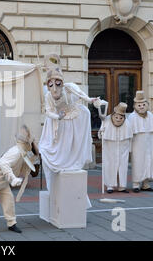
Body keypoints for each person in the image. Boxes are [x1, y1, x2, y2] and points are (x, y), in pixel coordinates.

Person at [38, 54, 98, 208]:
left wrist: (91, 100)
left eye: (57, 83)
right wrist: (57, 116)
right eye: (51, 84)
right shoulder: (48, 95)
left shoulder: (69, 87)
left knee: (70, 154)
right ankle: (55, 193)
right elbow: (48, 111)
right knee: (46, 150)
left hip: (74, 121)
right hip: (58, 124)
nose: (54, 88)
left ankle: (70, 166)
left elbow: (81, 95)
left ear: (61, 82)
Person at [128, 91, 153, 193]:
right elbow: (129, 132)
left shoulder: (150, 115)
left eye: (144, 105)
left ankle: (145, 184)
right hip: (137, 144)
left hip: (148, 144)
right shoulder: (132, 117)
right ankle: (136, 184)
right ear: (135, 106)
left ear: (147, 105)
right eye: (139, 105)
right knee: (138, 163)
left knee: (148, 162)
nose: (141, 107)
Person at [98, 102, 133, 193]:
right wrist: (101, 132)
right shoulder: (106, 120)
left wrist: (129, 149)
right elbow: (100, 135)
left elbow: (130, 137)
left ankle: (122, 186)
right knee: (109, 165)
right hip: (110, 147)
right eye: (116, 117)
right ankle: (110, 185)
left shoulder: (127, 123)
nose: (118, 119)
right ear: (113, 115)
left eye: (121, 118)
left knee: (123, 166)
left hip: (122, 147)